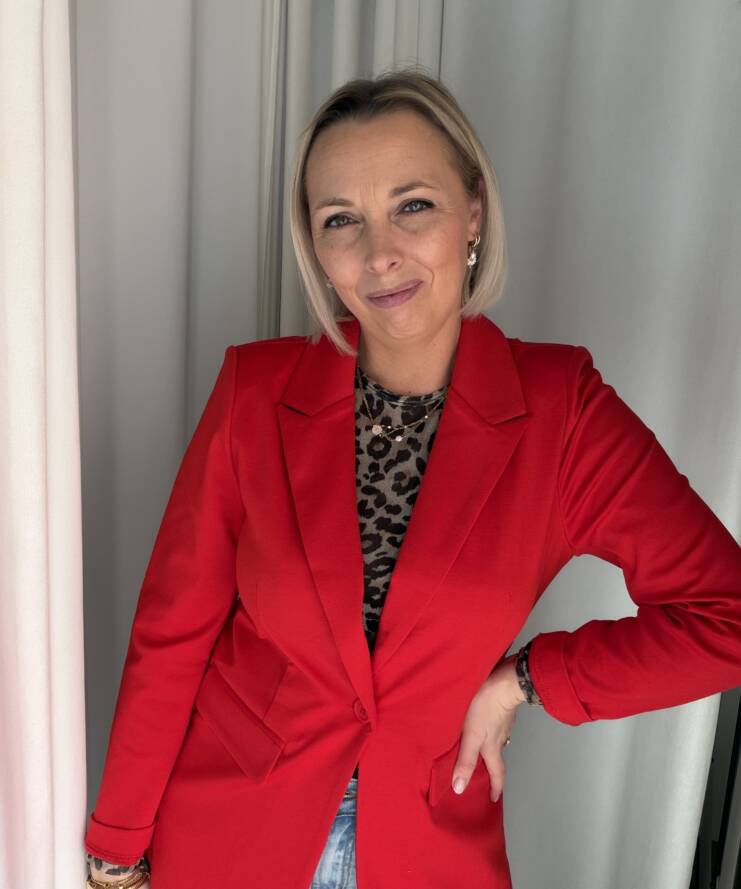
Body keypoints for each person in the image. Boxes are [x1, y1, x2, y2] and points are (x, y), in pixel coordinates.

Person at [83, 67, 741, 889]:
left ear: (474, 211)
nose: (378, 253)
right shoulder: (255, 392)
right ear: (316, 248)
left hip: (427, 847)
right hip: (229, 832)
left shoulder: (560, 411)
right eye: (340, 220)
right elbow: (172, 632)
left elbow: (725, 617)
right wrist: (116, 847)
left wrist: (524, 680)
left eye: (413, 205)